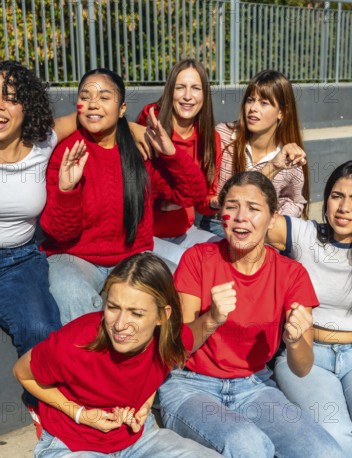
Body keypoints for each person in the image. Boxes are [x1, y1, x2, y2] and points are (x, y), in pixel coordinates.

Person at [13, 252, 263, 458]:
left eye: (136, 313)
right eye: (113, 307)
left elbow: (188, 339)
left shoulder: (167, 340)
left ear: (162, 316)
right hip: (69, 450)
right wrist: (80, 413)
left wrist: (212, 318)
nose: (120, 324)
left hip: (136, 441)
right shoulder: (78, 340)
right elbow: (23, 372)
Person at [158, 170, 349, 458]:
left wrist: (296, 341)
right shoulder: (198, 259)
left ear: (272, 218)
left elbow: (302, 366)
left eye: (253, 209)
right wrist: (211, 318)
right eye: (232, 207)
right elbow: (173, 351)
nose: (241, 217)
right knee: (247, 443)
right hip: (190, 386)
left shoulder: (290, 273)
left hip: (253, 386)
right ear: (221, 216)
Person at [40, 67, 207, 325]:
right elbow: (59, 233)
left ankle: (161, 363)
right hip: (76, 258)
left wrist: (170, 153)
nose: (94, 103)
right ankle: (93, 360)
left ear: (121, 109)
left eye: (104, 97)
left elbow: (193, 193)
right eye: (86, 96)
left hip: (132, 259)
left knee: (182, 289)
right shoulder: (67, 151)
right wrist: (67, 191)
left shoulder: (139, 150)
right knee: (68, 290)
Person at [267, 159, 352, 458]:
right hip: (306, 357)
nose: (344, 207)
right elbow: (253, 208)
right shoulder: (306, 235)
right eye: (337, 196)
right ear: (325, 202)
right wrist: (275, 166)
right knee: (334, 433)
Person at [0, 60, 80, 425]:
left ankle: (45, 409)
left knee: (40, 329)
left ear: (26, 106)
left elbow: (86, 117)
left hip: (19, 261)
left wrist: (141, 130)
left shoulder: (43, 142)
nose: (0, 106)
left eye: (11, 98)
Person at [201, 70, 309, 238]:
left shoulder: (288, 156)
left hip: (261, 232)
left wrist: (277, 220)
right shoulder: (223, 136)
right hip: (218, 224)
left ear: (282, 112)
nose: (253, 108)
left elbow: (295, 200)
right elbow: (205, 189)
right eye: (250, 100)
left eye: (264, 103)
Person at [137, 59, 222, 264]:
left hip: (185, 231)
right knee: (192, 265)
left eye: (195, 88)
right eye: (180, 87)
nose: (187, 96)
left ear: (204, 95)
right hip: (147, 237)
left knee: (227, 254)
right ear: (170, 92)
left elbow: (203, 201)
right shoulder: (152, 123)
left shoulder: (210, 138)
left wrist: (216, 202)